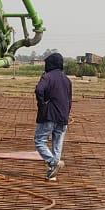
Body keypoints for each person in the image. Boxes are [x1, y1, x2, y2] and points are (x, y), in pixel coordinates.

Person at [34, 52, 72, 181]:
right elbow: (69, 100)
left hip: (49, 115)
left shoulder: (47, 77)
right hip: (63, 117)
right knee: (57, 144)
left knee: (39, 141)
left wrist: (42, 104)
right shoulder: (67, 80)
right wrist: (66, 114)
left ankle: (52, 163)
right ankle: (52, 174)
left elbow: (39, 90)